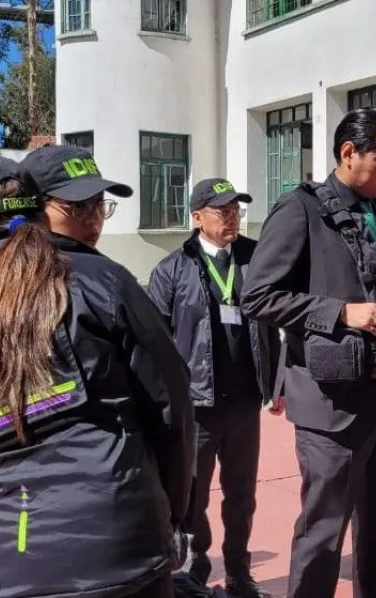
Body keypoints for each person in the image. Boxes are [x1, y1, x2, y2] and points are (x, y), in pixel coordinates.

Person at [0, 155, 195, 597]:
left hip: (13, 560)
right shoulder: (101, 281)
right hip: (129, 542)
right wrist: (166, 512)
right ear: (41, 214)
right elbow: (172, 410)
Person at [240, 107, 376, 598]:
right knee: (324, 531)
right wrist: (340, 313)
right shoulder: (301, 210)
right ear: (348, 153)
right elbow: (257, 297)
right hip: (333, 406)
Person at [148, 177, 282, 598]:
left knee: (241, 495)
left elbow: (277, 324)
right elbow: (155, 342)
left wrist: (276, 383)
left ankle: (240, 574)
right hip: (197, 405)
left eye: (236, 210)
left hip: (244, 402)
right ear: (197, 216)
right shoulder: (172, 269)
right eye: (222, 210)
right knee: (192, 497)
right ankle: (196, 573)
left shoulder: (255, 258)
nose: (231, 217)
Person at [20, 144, 130, 251]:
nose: (94, 220)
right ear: (33, 208)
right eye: (79, 206)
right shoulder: (10, 267)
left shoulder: (105, 268)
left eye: (100, 205)